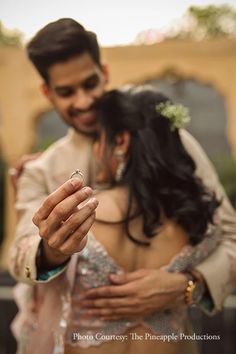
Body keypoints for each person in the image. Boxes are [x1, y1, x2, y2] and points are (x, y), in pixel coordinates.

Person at [8, 18, 236, 350]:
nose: (84, 101)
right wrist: (51, 250)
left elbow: (230, 234)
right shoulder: (41, 170)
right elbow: (20, 254)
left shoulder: (171, 145)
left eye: (90, 83)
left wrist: (189, 284)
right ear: (46, 92)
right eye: (67, 92)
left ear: (105, 71)